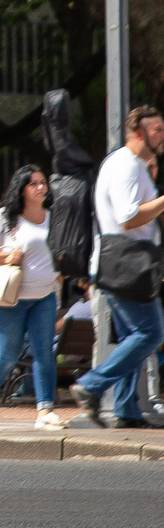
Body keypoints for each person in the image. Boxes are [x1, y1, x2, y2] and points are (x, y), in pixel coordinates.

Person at [78, 106, 164, 428]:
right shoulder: (126, 164)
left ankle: (126, 410)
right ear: (138, 133)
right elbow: (129, 218)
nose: (162, 135)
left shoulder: (136, 166)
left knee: (134, 337)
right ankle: (91, 385)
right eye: (156, 129)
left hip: (128, 262)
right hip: (125, 262)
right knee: (150, 332)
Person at [0, 165, 64, 430]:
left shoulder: (53, 217)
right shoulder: (5, 217)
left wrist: (61, 273)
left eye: (43, 182)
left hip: (44, 295)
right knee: (8, 354)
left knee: (44, 353)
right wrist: (4, 255)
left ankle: (45, 410)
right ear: (22, 189)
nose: (41, 187)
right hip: (10, 298)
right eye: (34, 184)